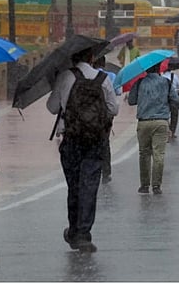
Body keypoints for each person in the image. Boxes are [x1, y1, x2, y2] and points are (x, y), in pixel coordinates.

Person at [47, 46, 119, 253]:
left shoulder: (64, 77)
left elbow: (52, 108)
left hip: (71, 140)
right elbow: (113, 109)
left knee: (74, 186)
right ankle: (84, 234)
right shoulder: (103, 78)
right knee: (89, 186)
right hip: (95, 140)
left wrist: (63, 97)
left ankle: (74, 229)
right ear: (91, 57)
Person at [128, 62, 179, 194]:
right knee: (159, 154)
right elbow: (175, 101)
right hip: (161, 122)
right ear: (158, 68)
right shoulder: (166, 82)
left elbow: (131, 100)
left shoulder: (139, 83)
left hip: (143, 122)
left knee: (144, 154)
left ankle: (144, 185)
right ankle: (156, 185)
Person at [92, 56, 121, 184]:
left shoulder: (89, 76)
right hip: (106, 116)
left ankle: (94, 168)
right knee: (105, 142)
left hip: (92, 115)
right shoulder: (111, 76)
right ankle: (106, 171)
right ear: (104, 63)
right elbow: (118, 92)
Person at [160, 61, 179, 140]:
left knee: (165, 115)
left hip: (165, 98)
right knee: (174, 115)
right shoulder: (174, 76)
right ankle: (172, 131)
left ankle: (166, 130)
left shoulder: (162, 77)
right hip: (174, 99)